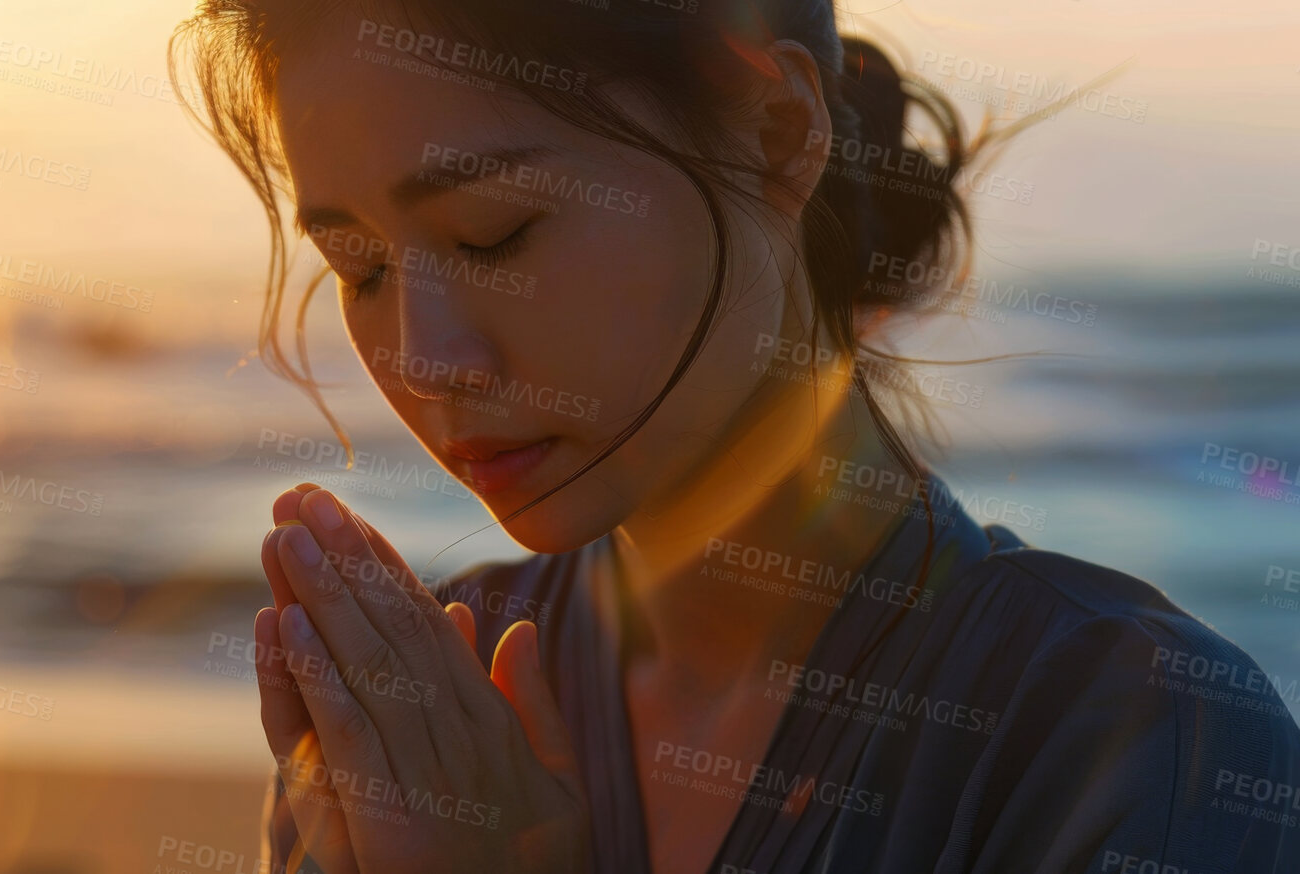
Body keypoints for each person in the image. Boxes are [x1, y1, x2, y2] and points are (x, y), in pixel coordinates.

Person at [171, 0, 1300, 870]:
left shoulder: (1134, 737)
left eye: (492, 233)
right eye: (357, 268)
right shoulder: (428, 709)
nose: (428, 358)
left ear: (773, 134)